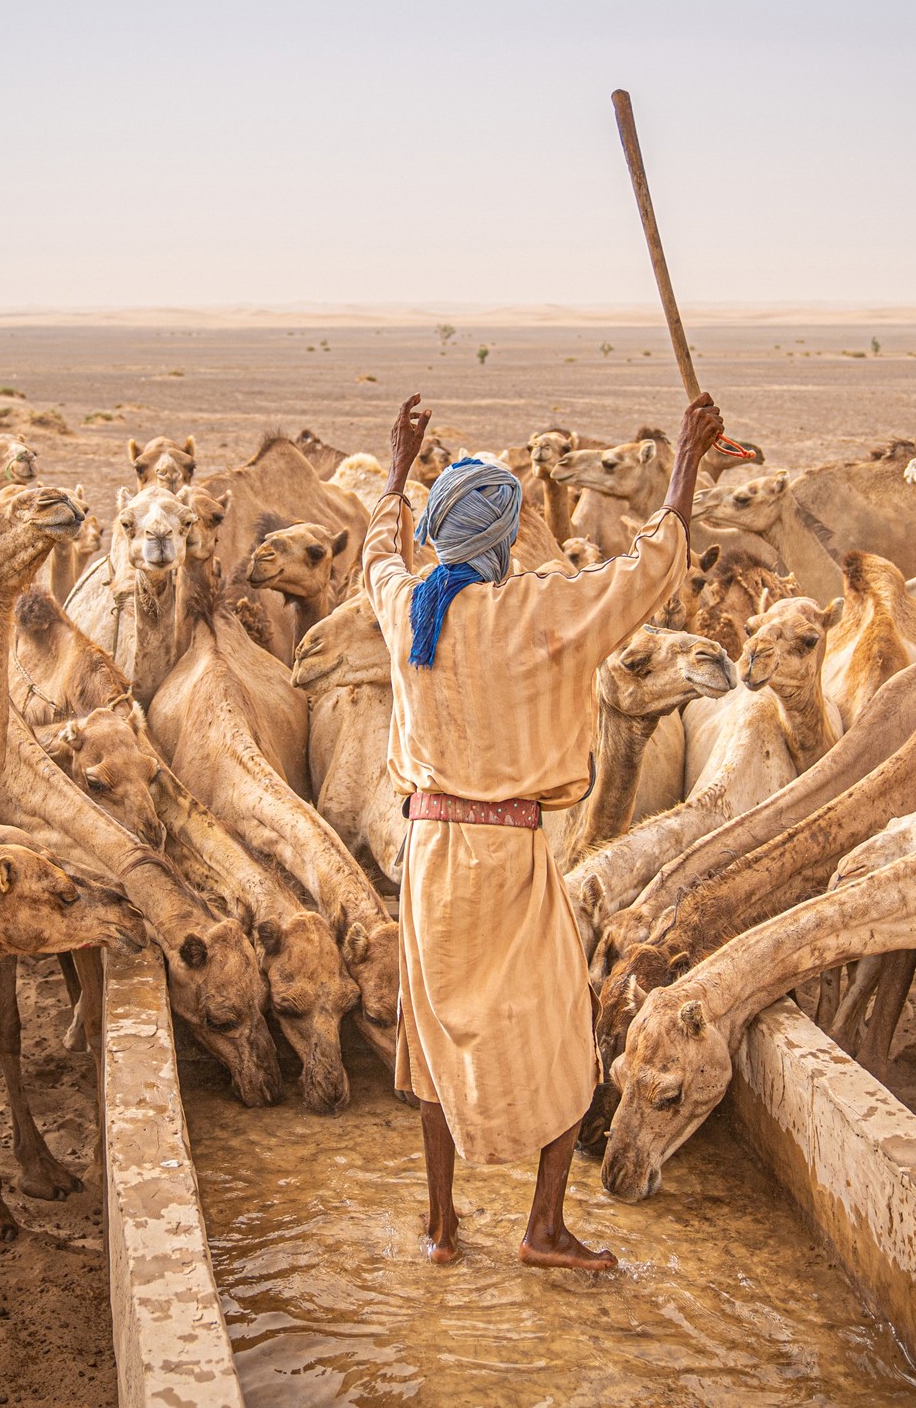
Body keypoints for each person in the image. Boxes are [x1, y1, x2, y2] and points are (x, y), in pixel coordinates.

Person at [361, 389, 726, 1269]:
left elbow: (376, 551)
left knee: (437, 1033)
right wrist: (686, 457)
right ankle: (544, 1226)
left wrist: (397, 466)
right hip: (513, 858)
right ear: (501, 537)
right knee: (566, 1029)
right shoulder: (545, 611)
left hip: (432, 851)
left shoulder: (409, 607)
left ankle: (443, 1225)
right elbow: (650, 568)